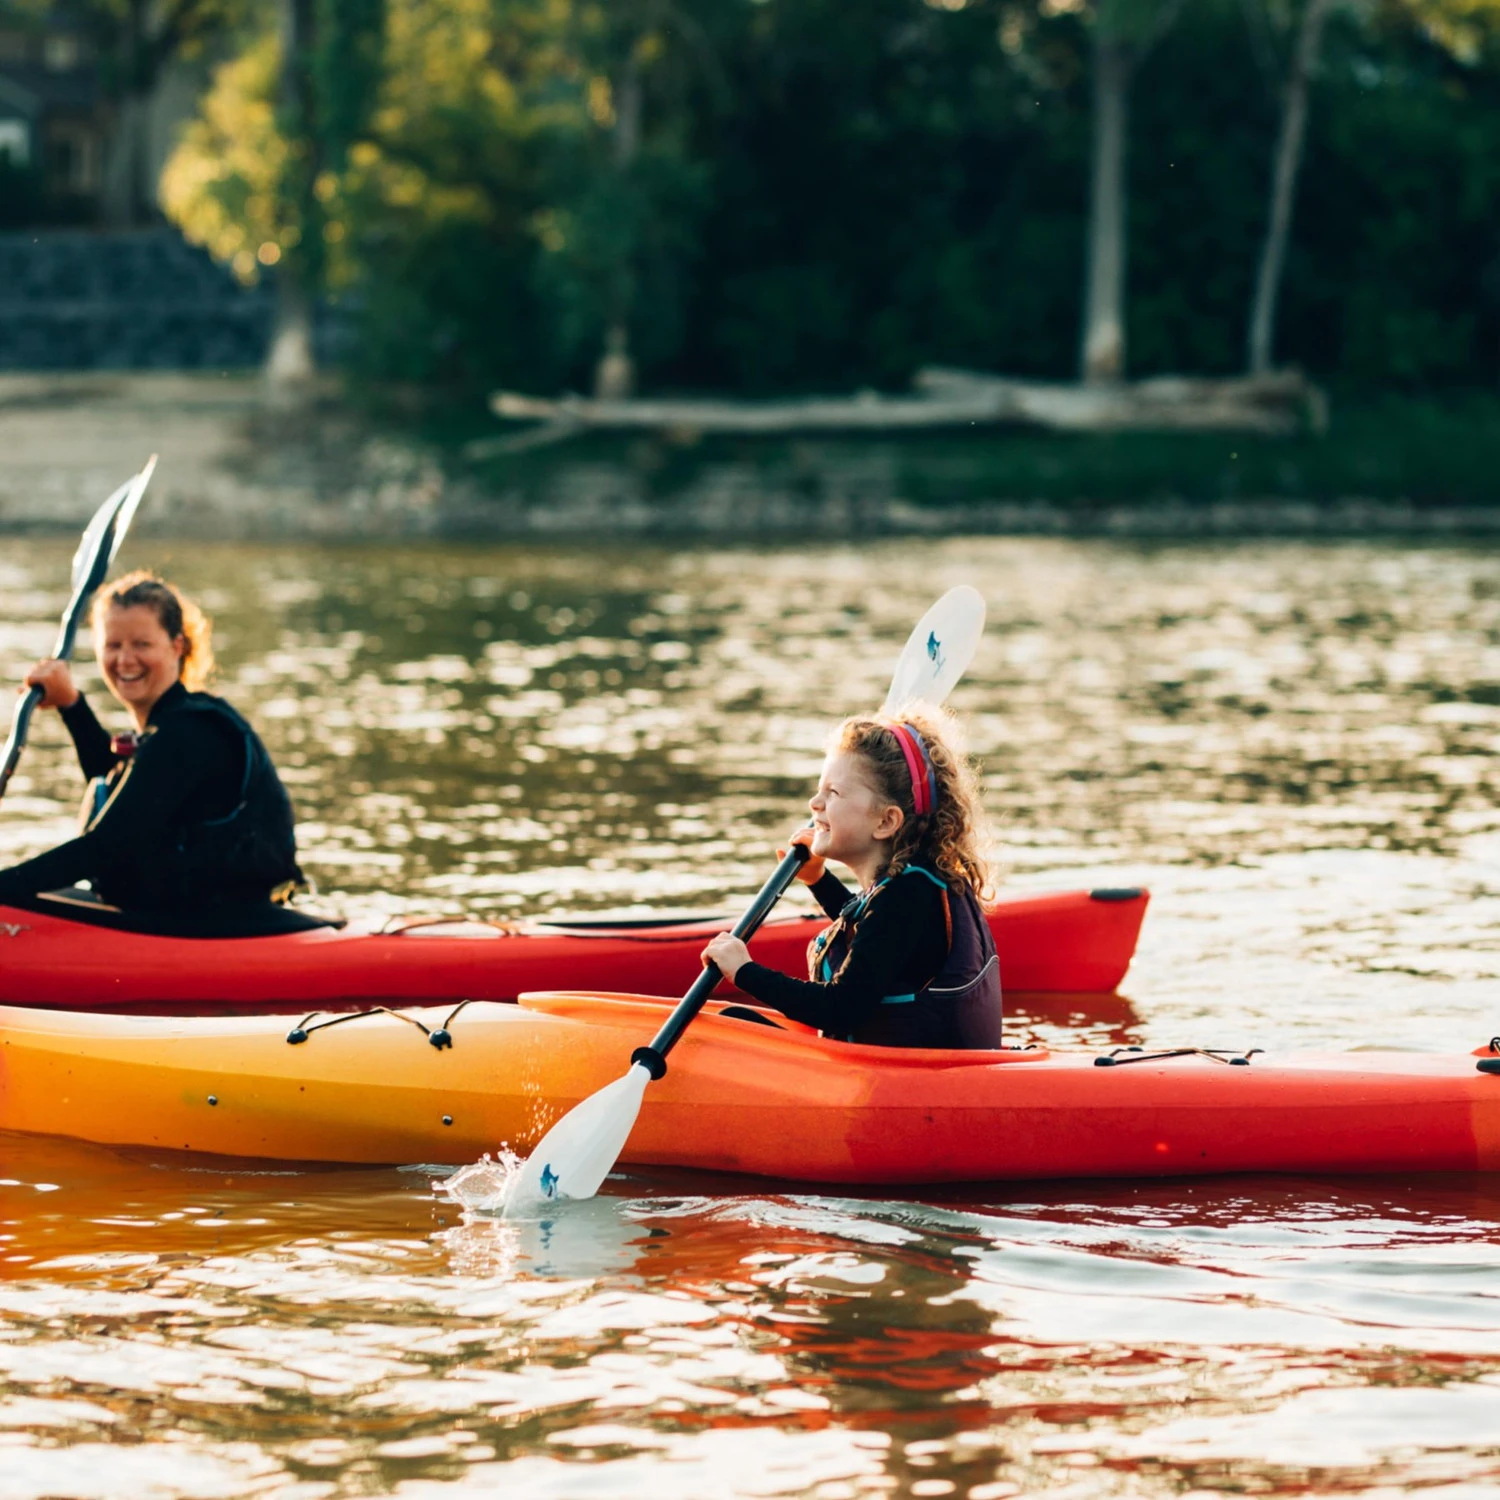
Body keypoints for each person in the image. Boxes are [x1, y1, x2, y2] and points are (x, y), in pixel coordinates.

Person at [0, 571, 304, 916]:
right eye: (113, 645)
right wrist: (71, 705)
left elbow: (104, 847)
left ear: (177, 647)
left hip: (218, 923)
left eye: (142, 644)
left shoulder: (188, 732)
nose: (125, 660)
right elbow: (114, 788)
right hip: (170, 912)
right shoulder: (166, 726)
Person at [702, 710, 1003, 1049]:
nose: (814, 803)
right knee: (735, 1020)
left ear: (885, 822)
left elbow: (839, 1008)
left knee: (727, 1029)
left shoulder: (907, 894)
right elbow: (879, 940)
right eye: (819, 790)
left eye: (833, 792)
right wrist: (818, 880)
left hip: (899, 1075)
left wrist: (744, 971)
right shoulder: (918, 883)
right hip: (910, 1066)